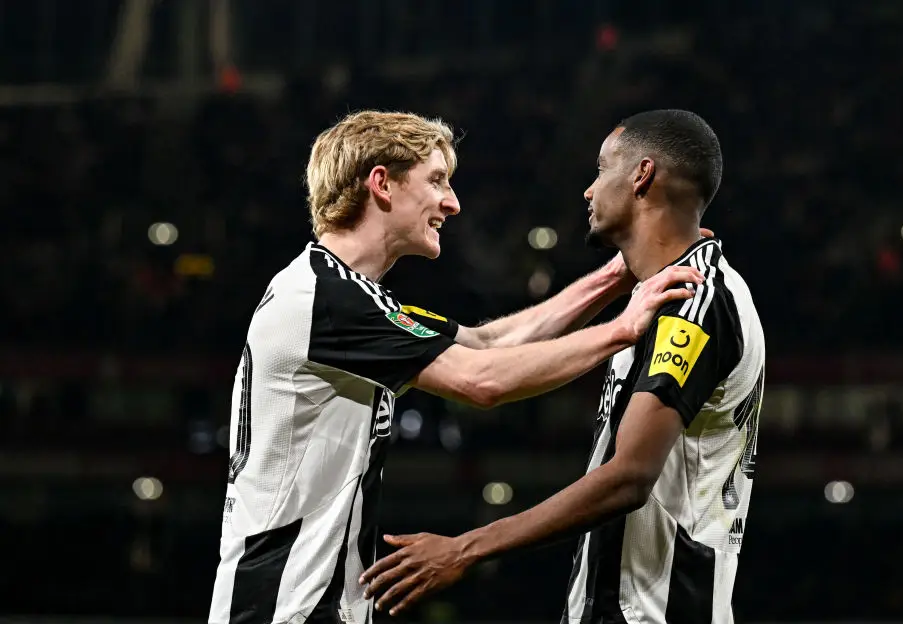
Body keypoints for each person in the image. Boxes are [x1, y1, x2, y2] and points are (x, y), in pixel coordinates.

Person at [207, 110, 707, 624]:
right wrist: (623, 329)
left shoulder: (347, 297)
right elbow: (481, 381)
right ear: (382, 184)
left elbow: (487, 344)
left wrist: (615, 277)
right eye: (437, 180)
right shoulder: (326, 300)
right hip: (281, 606)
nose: (452, 202)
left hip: (308, 603)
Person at [361, 109, 766, 624]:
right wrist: (615, 281)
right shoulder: (663, 294)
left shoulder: (694, 300)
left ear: (641, 176)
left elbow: (631, 475)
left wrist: (467, 548)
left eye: (601, 169)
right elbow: (484, 348)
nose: (588, 191)